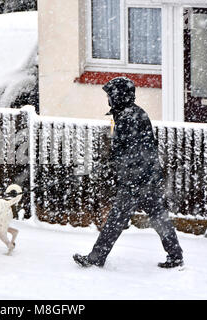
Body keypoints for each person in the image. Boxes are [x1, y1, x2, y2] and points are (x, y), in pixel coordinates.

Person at [73, 77, 184, 269]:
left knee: (115, 221)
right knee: (158, 217)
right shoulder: (130, 114)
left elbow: (133, 153)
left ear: (118, 96)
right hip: (146, 179)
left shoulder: (128, 118)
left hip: (137, 181)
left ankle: (96, 258)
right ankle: (175, 255)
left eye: (110, 95)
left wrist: (126, 176)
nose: (108, 99)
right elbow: (128, 151)